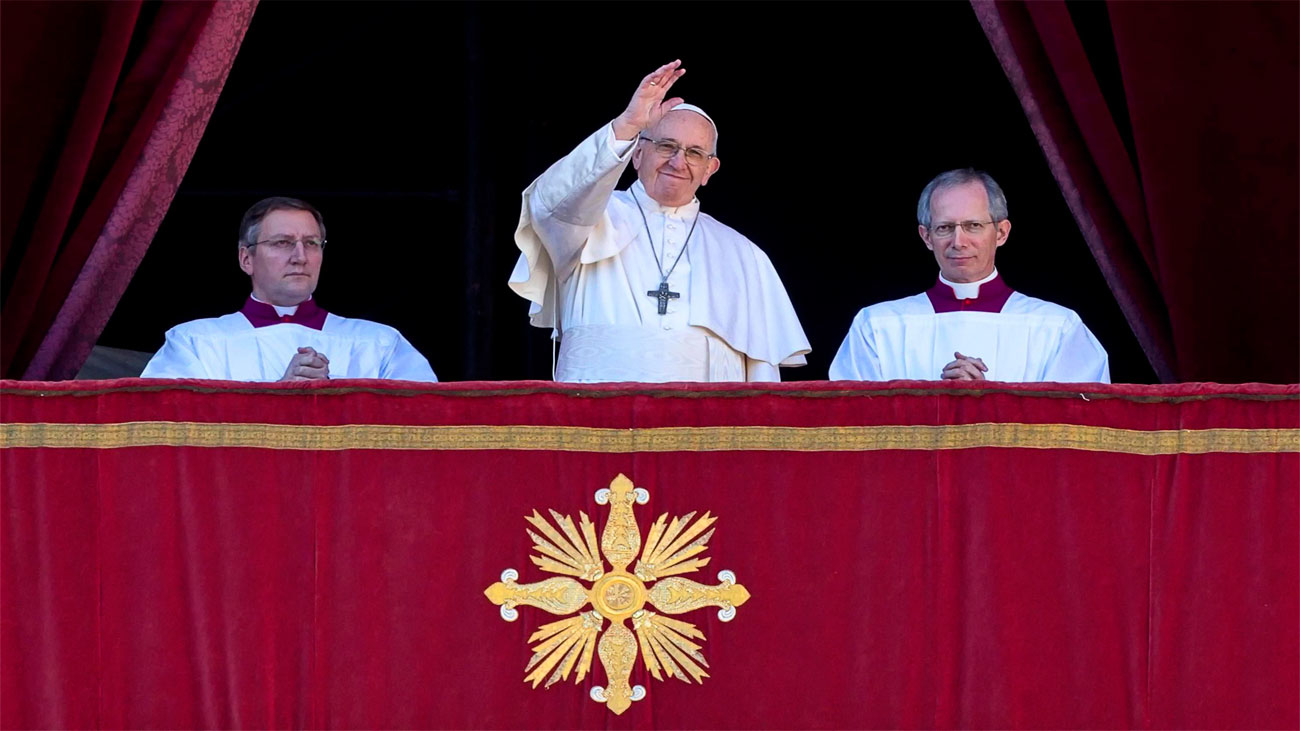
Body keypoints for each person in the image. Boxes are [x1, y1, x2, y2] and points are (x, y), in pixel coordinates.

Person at [509, 60, 809, 382]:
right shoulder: (590, 219)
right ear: (637, 154)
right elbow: (549, 205)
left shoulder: (744, 256)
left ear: (710, 170)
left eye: (695, 153)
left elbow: (762, 379)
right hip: (595, 421)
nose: (679, 162)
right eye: (666, 146)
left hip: (707, 428)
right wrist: (628, 124)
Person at [829, 169, 1109, 382]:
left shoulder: (1057, 328)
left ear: (1001, 232)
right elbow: (851, 427)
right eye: (944, 228)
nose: (959, 241)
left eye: (973, 225)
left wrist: (991, 402)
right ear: (926, 237)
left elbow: (1078, 429)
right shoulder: (877, 327)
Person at [141, 197, 437, 381]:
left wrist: (335, 396)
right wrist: (279, 398)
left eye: (311, 243)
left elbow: (422, 428)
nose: (300, 256)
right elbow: (168, 433)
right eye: (282, 242)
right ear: (246, 258)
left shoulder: (380, 344)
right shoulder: (195, 343)